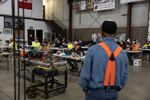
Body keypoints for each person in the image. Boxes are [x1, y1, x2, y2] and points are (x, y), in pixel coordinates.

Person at [79, 21, 128, 100]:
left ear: (102, 33)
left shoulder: (92, 50)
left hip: (94, 94)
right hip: (113, 94)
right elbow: (124, 76)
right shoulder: (122, 52)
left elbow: (85, 75)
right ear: (115, 34)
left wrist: (85, 87)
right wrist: (118, 88)